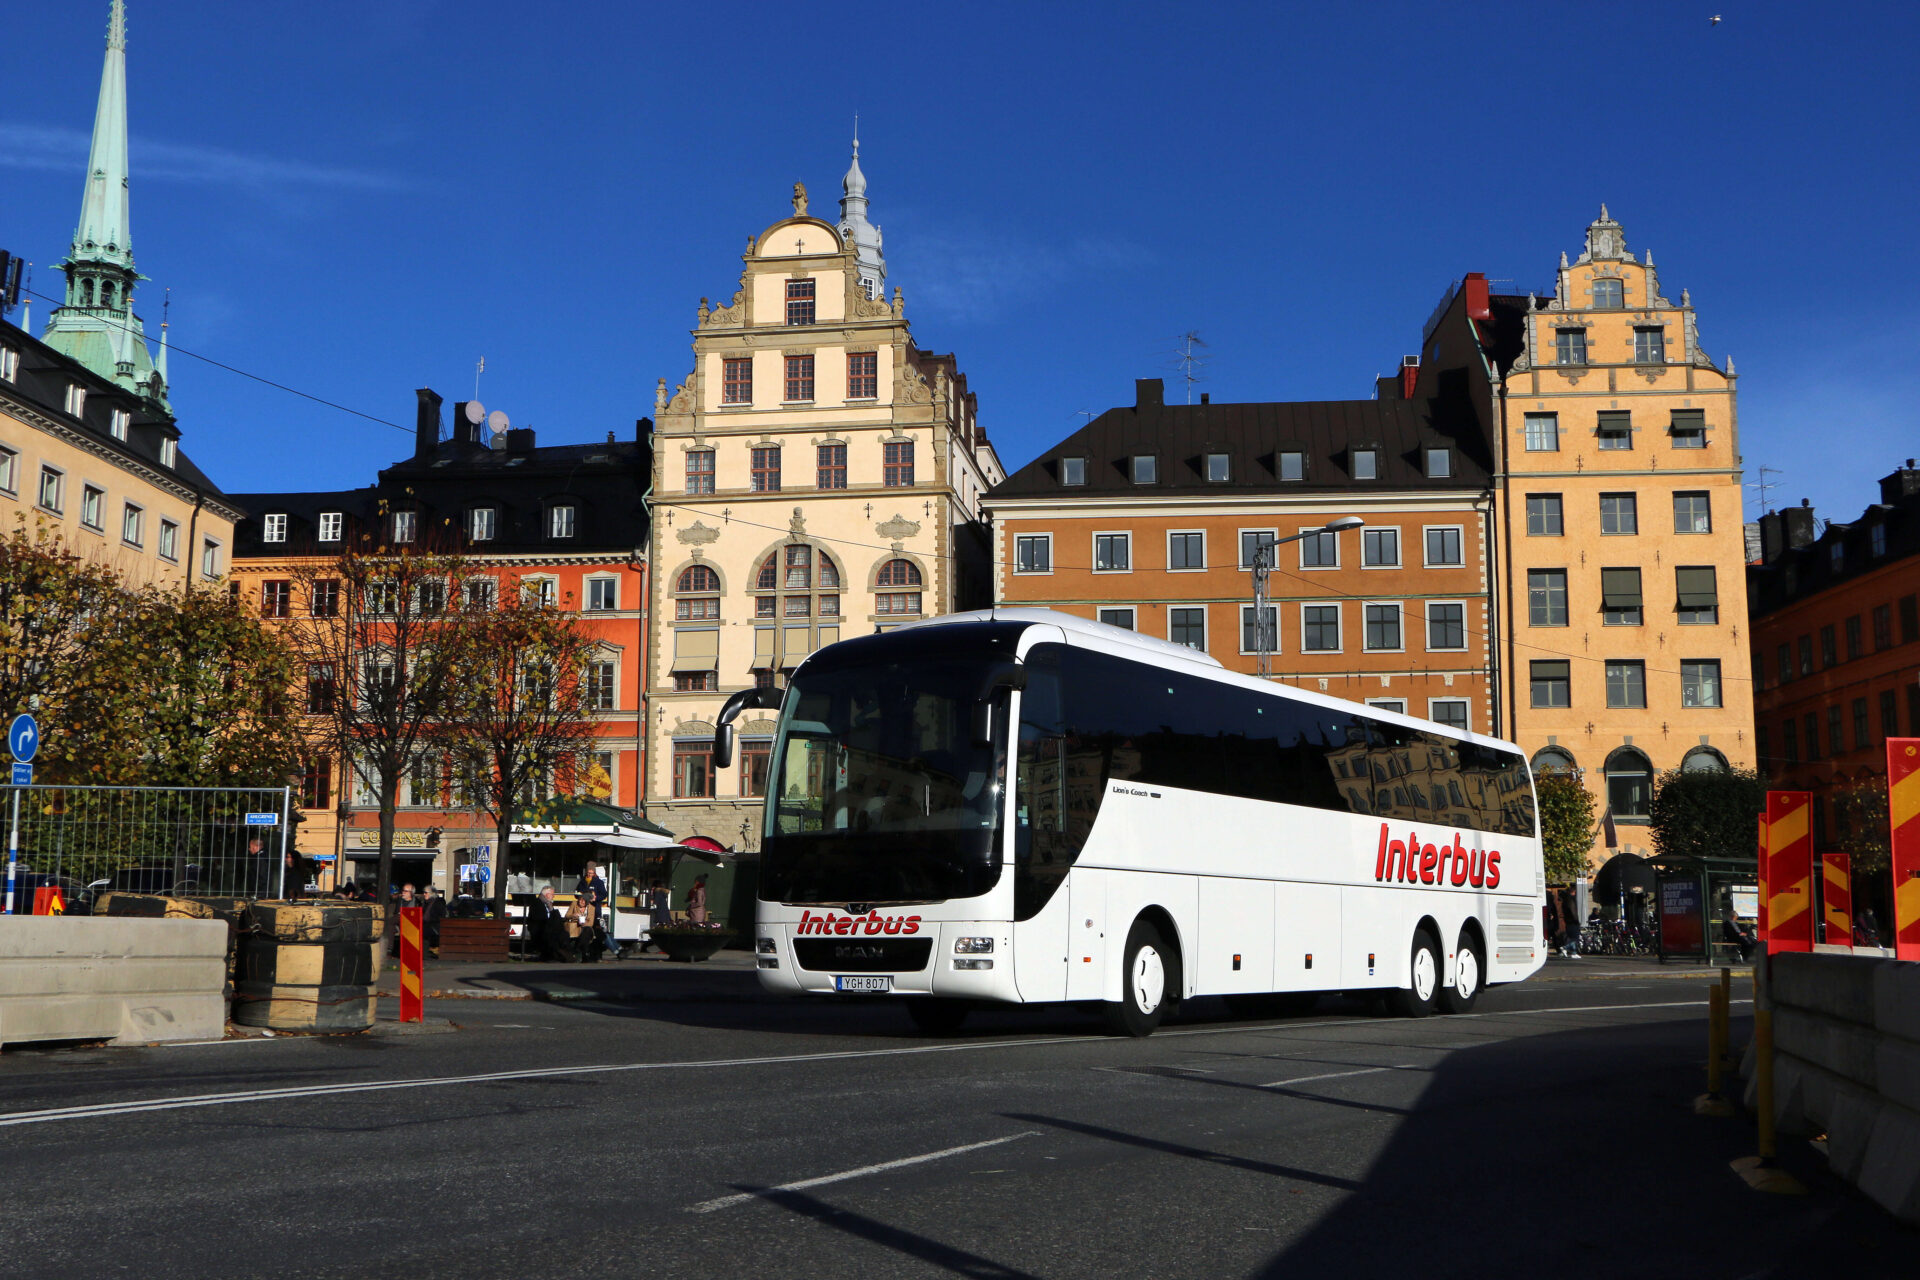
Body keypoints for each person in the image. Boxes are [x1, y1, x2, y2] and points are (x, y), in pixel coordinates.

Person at [524, 885, 570, 962]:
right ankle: (554, 955)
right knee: (556, 935)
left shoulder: (548, 904)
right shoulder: (537, 903)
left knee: (563, 933)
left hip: (548, 928)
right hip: (540, 929)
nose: (554, 896)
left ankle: (562, 955)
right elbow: (540, 920)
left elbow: (553, 918)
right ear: (547, 894)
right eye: (552, 894)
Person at [580, 861, 615, 960]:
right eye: (588, 873)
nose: (589, 874)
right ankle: (587, 953)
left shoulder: (598, 882)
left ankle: (602, 953)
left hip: (595, 910)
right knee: (588, 933)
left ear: (594, 872)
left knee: (599, 932)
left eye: (591, 873)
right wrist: (581, 896)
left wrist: (596, 898)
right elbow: (577, 891)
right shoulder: (583, 881)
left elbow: (604, 894)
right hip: (584, 910)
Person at [423, 886, 446, 959]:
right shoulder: (426, 903)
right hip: (427, 924)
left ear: (432, 893)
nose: (424, 894)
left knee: (424, 930)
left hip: (435, 926)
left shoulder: (438, 902)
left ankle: (427, 953)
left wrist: (430, 920)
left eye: (426, 892)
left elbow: (441, 916)